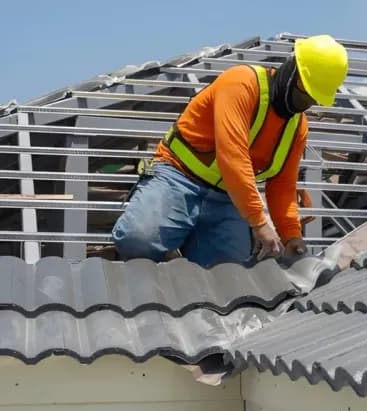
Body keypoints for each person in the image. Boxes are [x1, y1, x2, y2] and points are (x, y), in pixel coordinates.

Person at [111, 35, 348, 268]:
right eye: (303, 94)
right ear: (290, 71)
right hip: (178, 178)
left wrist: (291, 236)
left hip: (227, 198)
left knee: (228, 274)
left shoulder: (297, 126)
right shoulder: (241, 83)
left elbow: (283, 184)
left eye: (313, 99)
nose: (304, 104)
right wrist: (258, 222)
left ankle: (185, 250)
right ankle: (168, 249)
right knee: (138, 241)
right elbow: (232, 156)